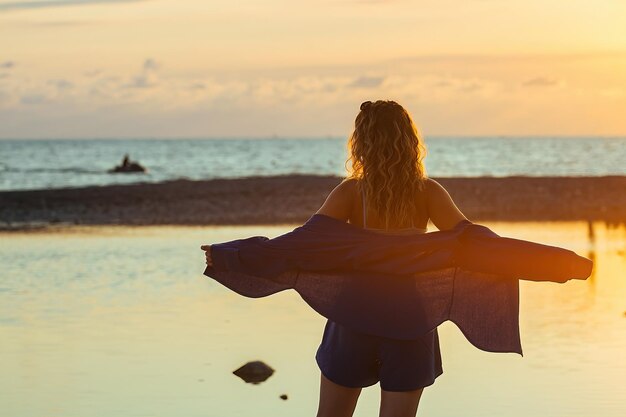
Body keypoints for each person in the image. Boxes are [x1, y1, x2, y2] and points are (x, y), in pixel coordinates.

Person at [203, 100, 470, 417]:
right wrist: (538, 260)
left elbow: (301, 244)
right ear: (410, 141)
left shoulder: (350, 193)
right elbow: (473, 243)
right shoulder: (429, 193)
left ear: (362, 143)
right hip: (411, 318)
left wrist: (234, 255)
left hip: (353, 314)